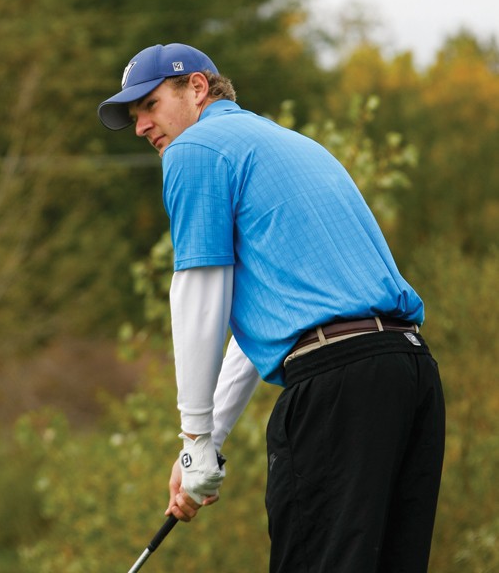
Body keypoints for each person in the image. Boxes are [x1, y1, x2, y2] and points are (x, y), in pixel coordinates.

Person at [98, 42, 445, 573]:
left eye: (149, 105)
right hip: (409, 374)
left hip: (338, 388)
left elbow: (199, 290)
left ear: (196, 88)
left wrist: (193, 441)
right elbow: (272, 329)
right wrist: (206, 440)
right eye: (133, 116)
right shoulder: (286, 144)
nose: (142, 126)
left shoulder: (196, 148)